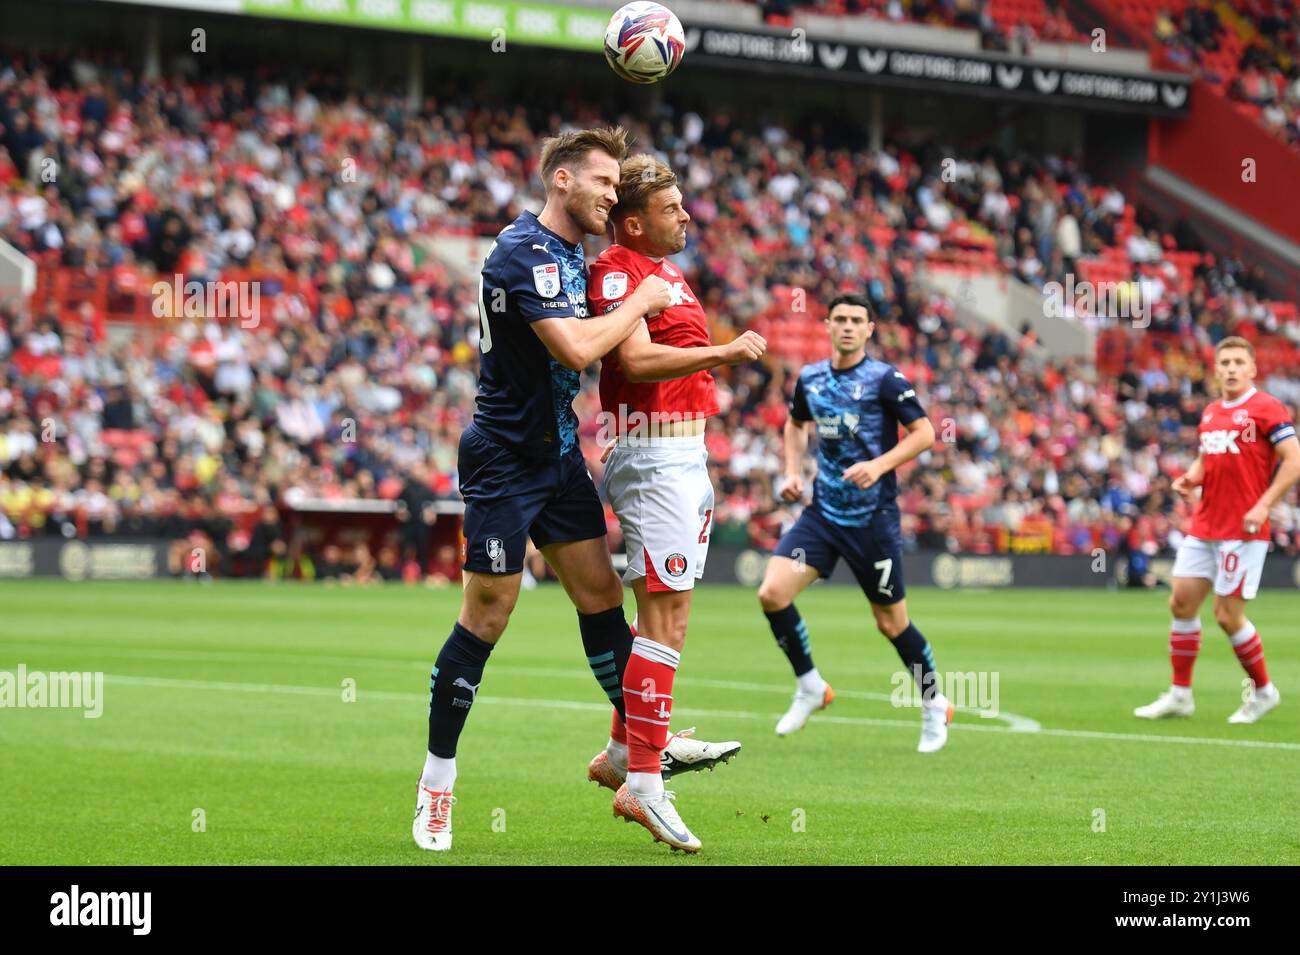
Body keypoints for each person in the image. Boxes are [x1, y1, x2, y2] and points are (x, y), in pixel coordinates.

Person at [413, 127, 736, 852]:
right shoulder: (521, 250)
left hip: (559, 458)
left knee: (600, 598)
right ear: (561, 181)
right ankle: (437, 782)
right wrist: (645, 298)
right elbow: (578, 348)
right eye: (601, 183)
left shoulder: (572, 253)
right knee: (487, 616)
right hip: (503, 457)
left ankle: (640, 748)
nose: (611, 196)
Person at [586, 153, 763, 851]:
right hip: (654, 454)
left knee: (671, 614)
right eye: (672, 209)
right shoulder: (619, 271)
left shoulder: (666, 271)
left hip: (683, 453)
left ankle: (619, 754)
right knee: (662, 615)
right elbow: (635, 362)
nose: (687, 216)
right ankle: (646, 786)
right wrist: (724, 353)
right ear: (634, 221)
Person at [755, 294, 954, 752]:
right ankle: (810, 685)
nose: (847, 326)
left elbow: (924, 433)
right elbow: (794, 424)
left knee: (892, 624)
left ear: (869, 329)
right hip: (823, 514)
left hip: (873, 520)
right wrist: (791, 470)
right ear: (826, 325)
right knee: (771, 593)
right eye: (839, 319)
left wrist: (880, 465)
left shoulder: (885, 379)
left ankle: (933, 702)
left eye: (856, 320)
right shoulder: (811, 378)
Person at [1135, 336, 1299, 724]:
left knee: (1227, 615)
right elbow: (1208, 456)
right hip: (1205, 524)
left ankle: (1263, 691)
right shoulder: (1211, 412)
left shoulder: (1267, 408)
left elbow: (1293, 461)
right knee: (1181, 603)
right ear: (1216, 368)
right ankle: (1180, 695)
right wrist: (1191, 478)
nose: (1230, 368)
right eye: (1224, 362)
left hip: (1241, 530)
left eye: (1238, 362)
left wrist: (1263, 505)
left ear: (1252, 368)